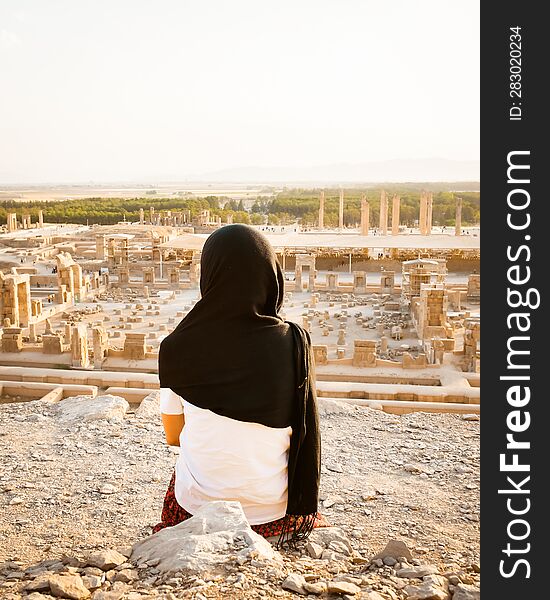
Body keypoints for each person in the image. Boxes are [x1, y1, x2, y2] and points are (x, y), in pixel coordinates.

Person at [155, 224, 328, 546]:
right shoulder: (294, 343)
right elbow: (303, 428)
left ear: (209, 275)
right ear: (271, 276)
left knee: (188, 467)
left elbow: (173, 436)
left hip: (198, 506)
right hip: (273, 509)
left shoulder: (176, 347)